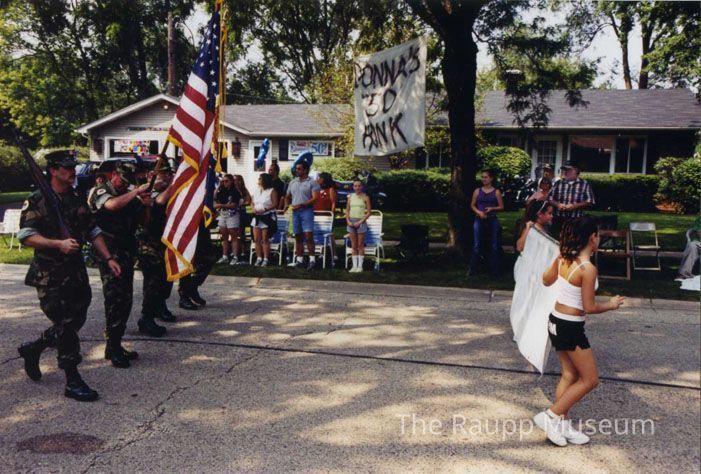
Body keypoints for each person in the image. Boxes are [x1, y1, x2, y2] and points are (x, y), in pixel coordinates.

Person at [16, 151, 121, 401]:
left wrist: (109, 258)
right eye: (67, 167)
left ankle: (35, 348)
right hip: (50, 275)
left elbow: (92, 230)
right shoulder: (38, 199)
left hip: (76, 273)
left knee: (75, 321)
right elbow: (26, 236)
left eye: (73, 166)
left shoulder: (75, 199)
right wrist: (57, 244)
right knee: (65, 324)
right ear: (53, 170)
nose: (72, 171)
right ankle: (72, 379)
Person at [536, 216, 625, 446]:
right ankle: (550, 416)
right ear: (592, 238)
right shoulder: (588, 269)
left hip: (555, 321)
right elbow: (590, 307)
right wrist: (611, 305)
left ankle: (562, 425)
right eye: (598, 235)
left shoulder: (563, 259)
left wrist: (557, 260)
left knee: (570, 375)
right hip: (570, 327)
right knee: (590, 380)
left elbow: (545, 281)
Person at [89, 161, 151, 368]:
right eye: (122, 180)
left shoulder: (129, 195)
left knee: (125, 299)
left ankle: (116, 343)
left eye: (128, 182)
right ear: (114, 174)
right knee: (115, 299)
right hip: (108, 253)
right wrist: (136, 193)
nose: (124, 184)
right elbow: (111, 205)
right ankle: (112, 346)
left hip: (126, 253)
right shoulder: (101, 191)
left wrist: (146, 205)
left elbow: (144, 222)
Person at [135, 160, 175, 336]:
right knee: (153, 281)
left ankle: (160, 306)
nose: (166, 176)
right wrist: (174, 184)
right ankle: (146, 318)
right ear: (151, 175)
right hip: (148, 243)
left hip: (165, 241)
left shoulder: (168, 191)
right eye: (162, 173)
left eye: (168, 173)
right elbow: (158, 203)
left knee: (166, 279)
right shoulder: (144, 191)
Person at [285, 161, 320, 270]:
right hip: (295, 212)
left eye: (299, 169)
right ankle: (299, 260)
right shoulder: (292, 182)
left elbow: (315, 198)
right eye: (296, 169)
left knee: (308, 236)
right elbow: (287, 196)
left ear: (305, 170)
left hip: (307, 211)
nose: (297, 171)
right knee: (298, 236)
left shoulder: (312, 183)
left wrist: (301, 205)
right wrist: (287, 204)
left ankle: (312, 261)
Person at [469, 169, 504, 275]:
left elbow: (501, 207)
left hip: (492, 219)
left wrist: (492, 208)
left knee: (494, 244)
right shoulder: (477, 191)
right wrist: (479, 212)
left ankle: (494, 270)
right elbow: (472, 205)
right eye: (482, 177)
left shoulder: (496, 192)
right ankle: (474, 270)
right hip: (479, 219)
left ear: (491, 178)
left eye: (486, 177)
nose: (483, 179)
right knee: (477, 244)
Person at [548, 161, 595, 239]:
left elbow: (590, 200)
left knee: (573, 241)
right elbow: (549, 198)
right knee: (555, 240)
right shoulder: (558, 183)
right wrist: (558, 204)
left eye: (568, 170)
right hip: (559, 219)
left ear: (576, 171)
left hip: (576, 220)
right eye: (564, 170)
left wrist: (574, 206)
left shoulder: (584, 184)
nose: (565, 172)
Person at [251, 173, 280, 266]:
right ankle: (259, 257)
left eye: (260, 178)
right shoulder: (257, 190)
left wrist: (265, 209)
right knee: (256, 239)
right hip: (257, 216)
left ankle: (266, 258)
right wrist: (253, 208)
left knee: (265, 238)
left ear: (265, 180)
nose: (259, 180)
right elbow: (252, 202)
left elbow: (275, 204)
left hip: (267, 216)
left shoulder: (272, 191)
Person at [214, 174, 242, 265]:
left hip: (232, 215)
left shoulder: (235, 191)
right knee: (224, 236)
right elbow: (215, 197)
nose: (224, 183)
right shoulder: (222, 190)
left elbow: (233, 205)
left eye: (226, 181)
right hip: (223, 214)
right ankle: (225, 256)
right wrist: (218, 186)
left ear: (231, 181)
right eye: (223, 181)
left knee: (233, 236)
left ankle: (235, 256)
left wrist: (221, 205)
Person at [346, 180, 371, 273]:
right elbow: (347, 210)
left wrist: (360, 222)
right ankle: (354, 266)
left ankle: (360, 266)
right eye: (355, 186)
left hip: (361, 221)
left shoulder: (366, 197)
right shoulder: (350, 197)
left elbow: (369, 212)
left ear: (362, 187)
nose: (357, 188)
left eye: (359, 186)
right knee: (354, 245)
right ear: (353, 187)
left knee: (360, 245)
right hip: (351, 222)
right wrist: (348, 221)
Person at [314, 172, 338, 263]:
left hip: (326, 216)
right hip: (317, 215)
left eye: (319, 178)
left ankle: (334, 254)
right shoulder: (317, 189)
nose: (318, 179)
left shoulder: (330, 189)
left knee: (329, 234)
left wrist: (332, 214)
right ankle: (321, 252)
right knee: (318, 234)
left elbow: (333, 203)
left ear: (324, 179)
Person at [232, 174, 252, 263]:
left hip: (243, 213)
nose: (235, 181)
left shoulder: (244, 190)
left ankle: (244, 251)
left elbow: (249, 200)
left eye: (237, 180)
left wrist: (241, 204)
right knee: (236, 233)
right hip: (234, 213)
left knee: (242, 232)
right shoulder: (231, 190)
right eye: (234, 180)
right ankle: (236, 251)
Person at [676, 216, 701, 280]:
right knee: (691, 246)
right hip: (698, 243)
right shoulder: (699, 219)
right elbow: (699, 232)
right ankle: (684, 274)